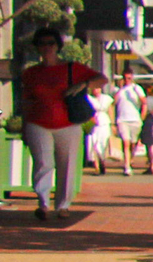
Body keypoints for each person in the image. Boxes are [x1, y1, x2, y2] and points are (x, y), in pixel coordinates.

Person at [13, 30, 98, 221]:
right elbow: (26, 101)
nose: (47, 47)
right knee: (43, 163)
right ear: (37, 47)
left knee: (67, 164)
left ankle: (63, 205)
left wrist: (83, 85)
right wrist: (25, 126)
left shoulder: (70, 68)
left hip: (68, 123)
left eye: (51, 43)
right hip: (38, 122)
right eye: (42, 43)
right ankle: (43, 203)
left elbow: (98, 80)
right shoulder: (31, 73)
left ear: (58, 46)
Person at [111, 68, 146, 177]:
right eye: (125, 78)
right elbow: (114, 103)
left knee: (133, 144)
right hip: (123, 119)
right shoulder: (119, 90)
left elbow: (144, 102)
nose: (127, 80)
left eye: (129, 78)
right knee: (126, 143)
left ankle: (130, 160)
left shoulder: (137, 89)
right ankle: (127, 166)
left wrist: (142, 117)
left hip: (135, 119)